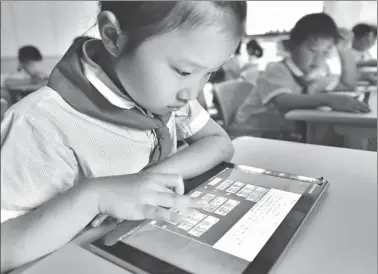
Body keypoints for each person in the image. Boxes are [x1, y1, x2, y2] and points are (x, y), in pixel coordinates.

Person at [1, 1, 246, 271]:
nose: (192, 91)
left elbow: (219, 142)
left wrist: (150, 179)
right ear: (113, 37)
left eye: (209, 72)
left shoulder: (163, 97)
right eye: (184, 71)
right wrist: (95, 197)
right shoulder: (41, 122)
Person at [232, 13, 369, 143]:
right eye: (312, 50)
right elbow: (283, 100)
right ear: (291, 46)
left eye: (326, 51)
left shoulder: (314, 73)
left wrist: (344, 50)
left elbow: (348, 85)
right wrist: (329, 99)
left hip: (278, 136)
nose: (319, 58)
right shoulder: (277, 69)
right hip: (250, 137)